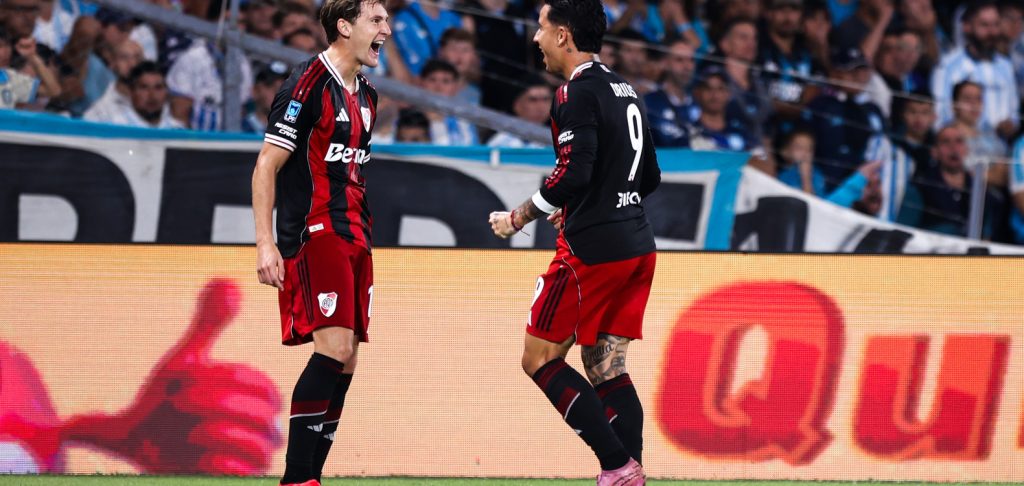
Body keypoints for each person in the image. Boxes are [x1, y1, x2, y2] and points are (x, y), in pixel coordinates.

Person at [487, 0, 659, 484]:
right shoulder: (628, 91)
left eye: (541, 29)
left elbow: (573, 172)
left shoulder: (573, 93)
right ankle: (631, 475)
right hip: (637, 245)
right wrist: (596, 202)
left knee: (539, 358)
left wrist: (520, 216)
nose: (535, 39)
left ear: (563, 35)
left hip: (594, 252)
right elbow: (649, 175)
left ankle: (617, 466)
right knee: (606, 366)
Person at [251, 0, 389, 484]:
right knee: (332, 348)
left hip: (356, 232)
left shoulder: (369, 96)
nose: (386, 30)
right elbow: (267, 164)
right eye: (377, 20)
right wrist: (266, 243)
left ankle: (311, 474)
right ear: (344, 26)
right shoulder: (306, 85)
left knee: (347, 358)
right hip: (316, 231)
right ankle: (296, 478)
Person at [931, 1, 1018, 141]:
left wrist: (1009, 125)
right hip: (961, 146)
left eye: (996, 25)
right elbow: (939, 116)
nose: (992, 32)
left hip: (1000, 150)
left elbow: (1014, 114)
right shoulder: (948, 66)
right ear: (966, 26)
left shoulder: (1005, 66)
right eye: (984, 25)